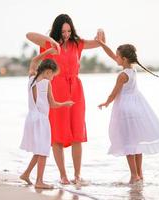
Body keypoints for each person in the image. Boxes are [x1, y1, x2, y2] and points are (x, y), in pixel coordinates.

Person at [26, 14, 105, 184]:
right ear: (57, 30)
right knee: (58, 135)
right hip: (55, 89)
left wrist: (100, 31)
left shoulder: (77, 44)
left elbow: (99, 42)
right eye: (63, 31)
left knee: (78, 133)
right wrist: (51, 40)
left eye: (69, 31)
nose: (67, 34)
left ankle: (77, 175)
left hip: (76, 91)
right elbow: (29, 35)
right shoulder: (48, 44)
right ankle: (63, 175)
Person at [97, 38, 159, 184]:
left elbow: (114, 94)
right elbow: (113, 55)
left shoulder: (122, 75)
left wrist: (106, 103)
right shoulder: (132, 70)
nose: (115, 58)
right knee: (136, 143)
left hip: (125, 110)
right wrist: (101, 44)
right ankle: (139, 174)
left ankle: (133, 175)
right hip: (136, 109)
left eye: (118, 56)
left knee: (128, 144)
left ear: (124, 59)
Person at [20, 47, 74, 189]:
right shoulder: (47, 83)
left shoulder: (32, 78)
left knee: (39, 150)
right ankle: (39, 181)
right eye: (53, 75)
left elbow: (34, 61)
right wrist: (66, 103)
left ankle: (26, 174)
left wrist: (47, 52)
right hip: (41, 120)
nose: (53, 77)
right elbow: (53, 104)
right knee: (43, 150)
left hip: (31, 118)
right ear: (49, 72)